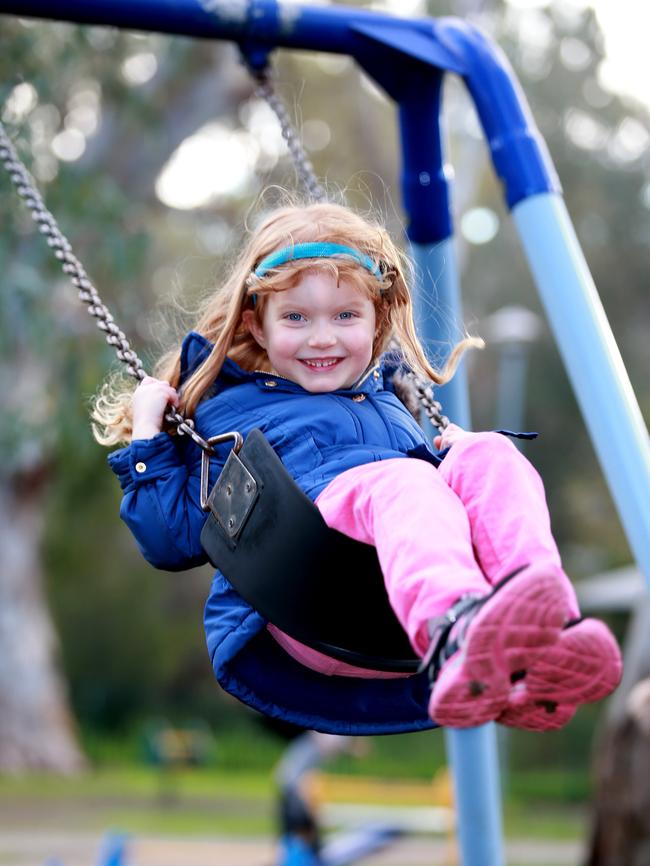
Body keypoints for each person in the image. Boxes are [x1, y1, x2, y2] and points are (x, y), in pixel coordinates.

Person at [93, 201, 621, 734]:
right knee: (405, 482)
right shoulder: (229, 410)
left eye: (345, 316)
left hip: (391, 599)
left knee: (490, 452)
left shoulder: (389, 398)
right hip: (312, 595)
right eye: (296, 317)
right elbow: (168, 540)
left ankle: (542, 637)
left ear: (378, 319)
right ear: (256, 323)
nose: (322, 337)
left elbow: (429, 521)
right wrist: (147, 436)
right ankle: (458, 626)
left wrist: (452, 458)